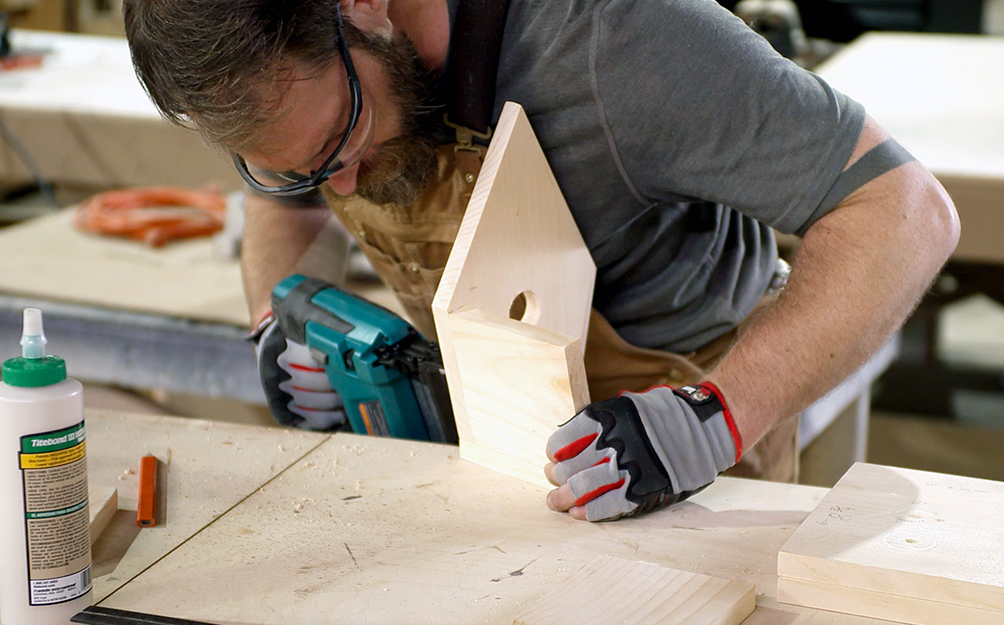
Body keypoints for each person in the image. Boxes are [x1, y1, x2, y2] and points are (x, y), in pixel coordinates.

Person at [123, 0, 959, 522]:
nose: (334, 182)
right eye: (289, 159)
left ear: (362, 4)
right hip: (490, 456)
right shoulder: (302, 92)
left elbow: (903, 211)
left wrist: (716, 416)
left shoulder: (615, 37)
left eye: (341, 141)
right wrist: (282, 313)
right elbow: (288, 192)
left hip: (691, 460)